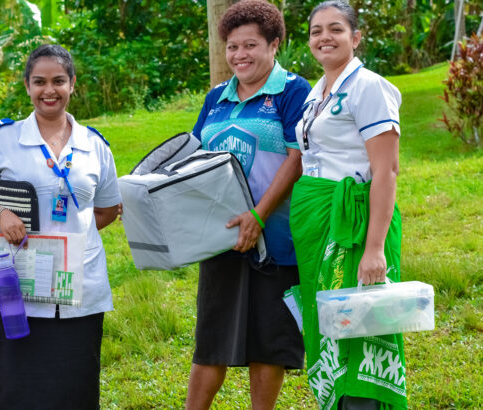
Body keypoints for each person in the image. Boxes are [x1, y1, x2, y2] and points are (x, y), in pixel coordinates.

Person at [0, 44, 122, 409]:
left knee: (73, 386)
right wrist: (0, 215)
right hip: (15, 285)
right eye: (40, 82)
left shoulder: (94, 146)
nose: (50, 90)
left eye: (59, 81)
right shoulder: (2, 141)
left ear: (72, 84)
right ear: (27, 86)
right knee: (10, 387)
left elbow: (107, 210)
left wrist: (68, 241)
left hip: (76, 289)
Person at [184, 1, 311, 409]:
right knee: (211, 341)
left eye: (250, 45)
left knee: (268, 342)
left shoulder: (293, 91)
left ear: (275, 44)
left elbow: (297, 159)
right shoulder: (216, 98)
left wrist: (259, 215)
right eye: (232, 46)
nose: (239, 55)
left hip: (276, 238)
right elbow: (194, 159)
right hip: (221, 236)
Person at [290, 2, 406, 409]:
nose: (324, 37)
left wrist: (374, 250)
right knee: (331, 325)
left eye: (335, 29)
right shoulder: (316, 91)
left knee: (362, 326)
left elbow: (386, 171)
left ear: (355, 38)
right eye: (316, 30)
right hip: (319, 224)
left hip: (355, 226)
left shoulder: (369, 87)